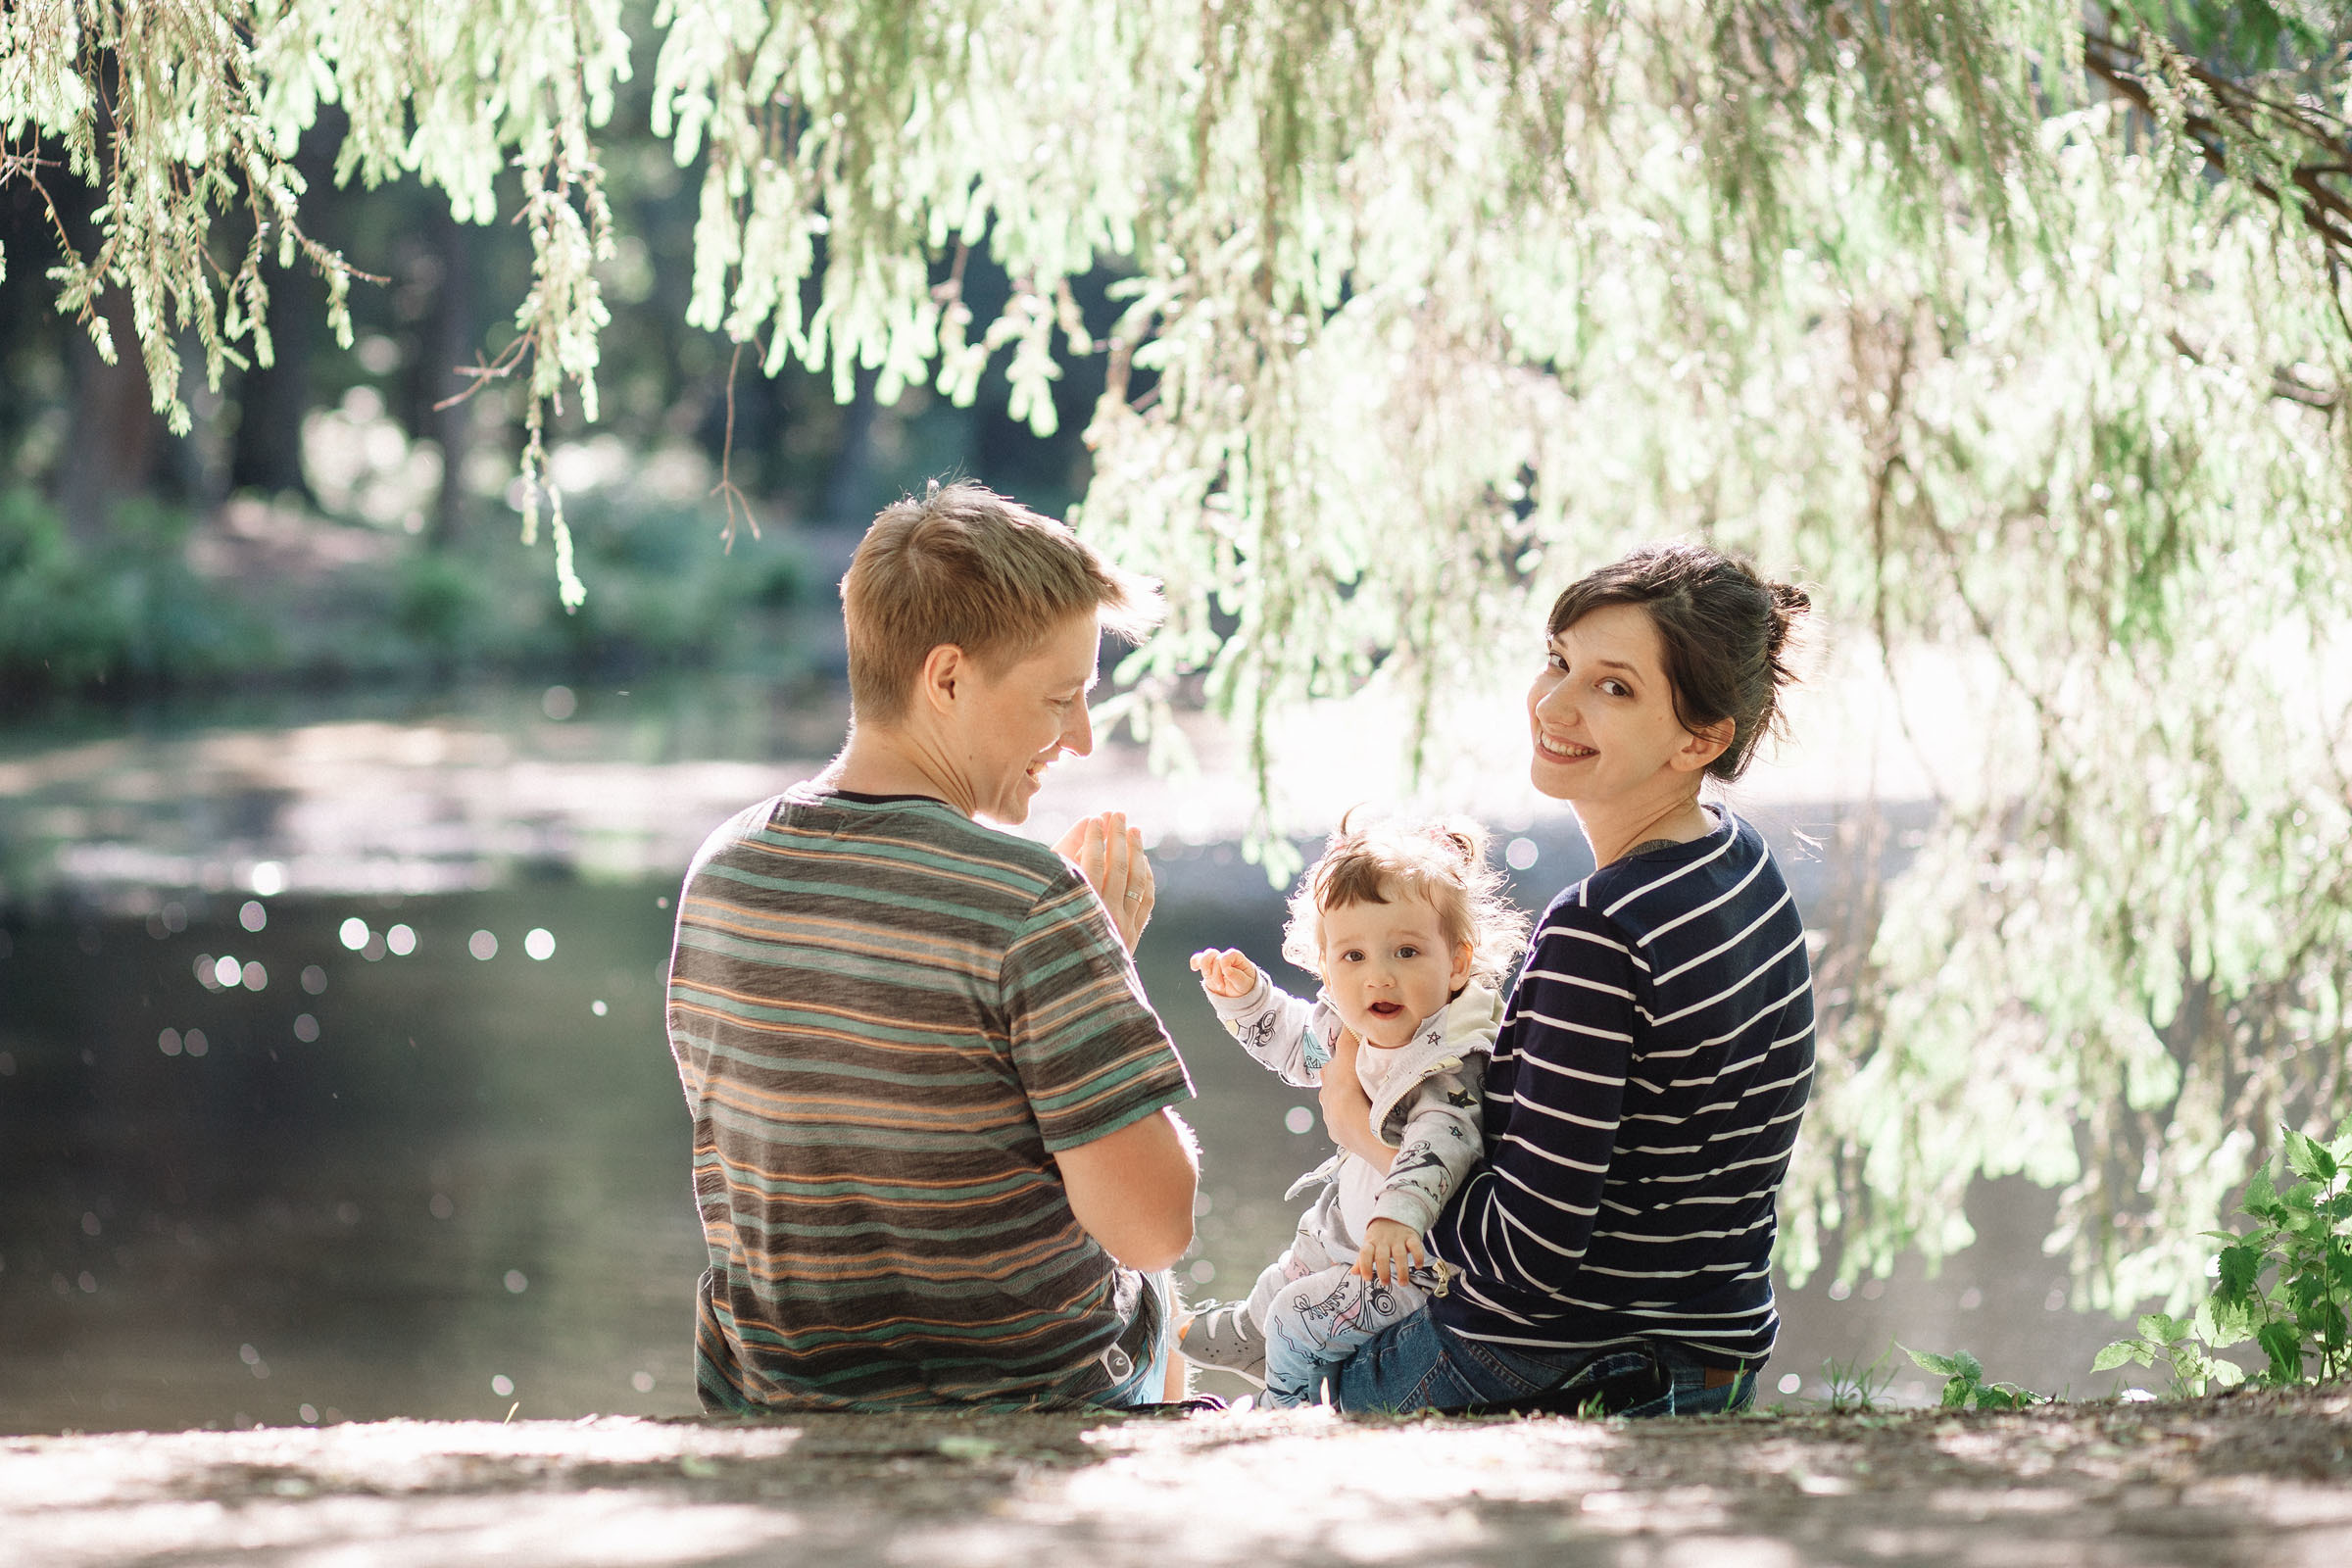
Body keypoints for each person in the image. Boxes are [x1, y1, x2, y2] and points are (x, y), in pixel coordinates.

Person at [664, 481, 1200, 1412]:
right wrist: (1102, 966)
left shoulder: (721, 872)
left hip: (781, 1399)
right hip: (1025, 1403)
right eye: (1060, 699)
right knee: (1157, 1294)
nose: (1078, 737)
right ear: (946, 679)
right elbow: (1153, 1224)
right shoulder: (1032, 899)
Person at [1312, 541, 1817, 1415]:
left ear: (1700, 737)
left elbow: (1527, 1253)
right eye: (1559, 661)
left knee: (1309, 1379)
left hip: (1562, 1358)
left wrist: (1377, 1143)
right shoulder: (1741, 860)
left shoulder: (1598, 930)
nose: (1555, 704)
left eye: (1612, 687)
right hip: (1711, 1350)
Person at [1179, 817, 1529, 1406]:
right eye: (1354, 956)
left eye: (1407, 951)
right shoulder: (1348, 1034)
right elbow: (1296, 1044)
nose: (1379, 976)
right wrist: (1247, 999)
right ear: (1326, 966)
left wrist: (1398, 1215)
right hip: (1351, 1237)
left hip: (1411, 1266)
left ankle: (1280, 1406)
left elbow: (1441, 1140)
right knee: (1298, 1262)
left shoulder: (1447, 1062)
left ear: (1458, 963)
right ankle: (1249, 1335)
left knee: (1298, 1312)